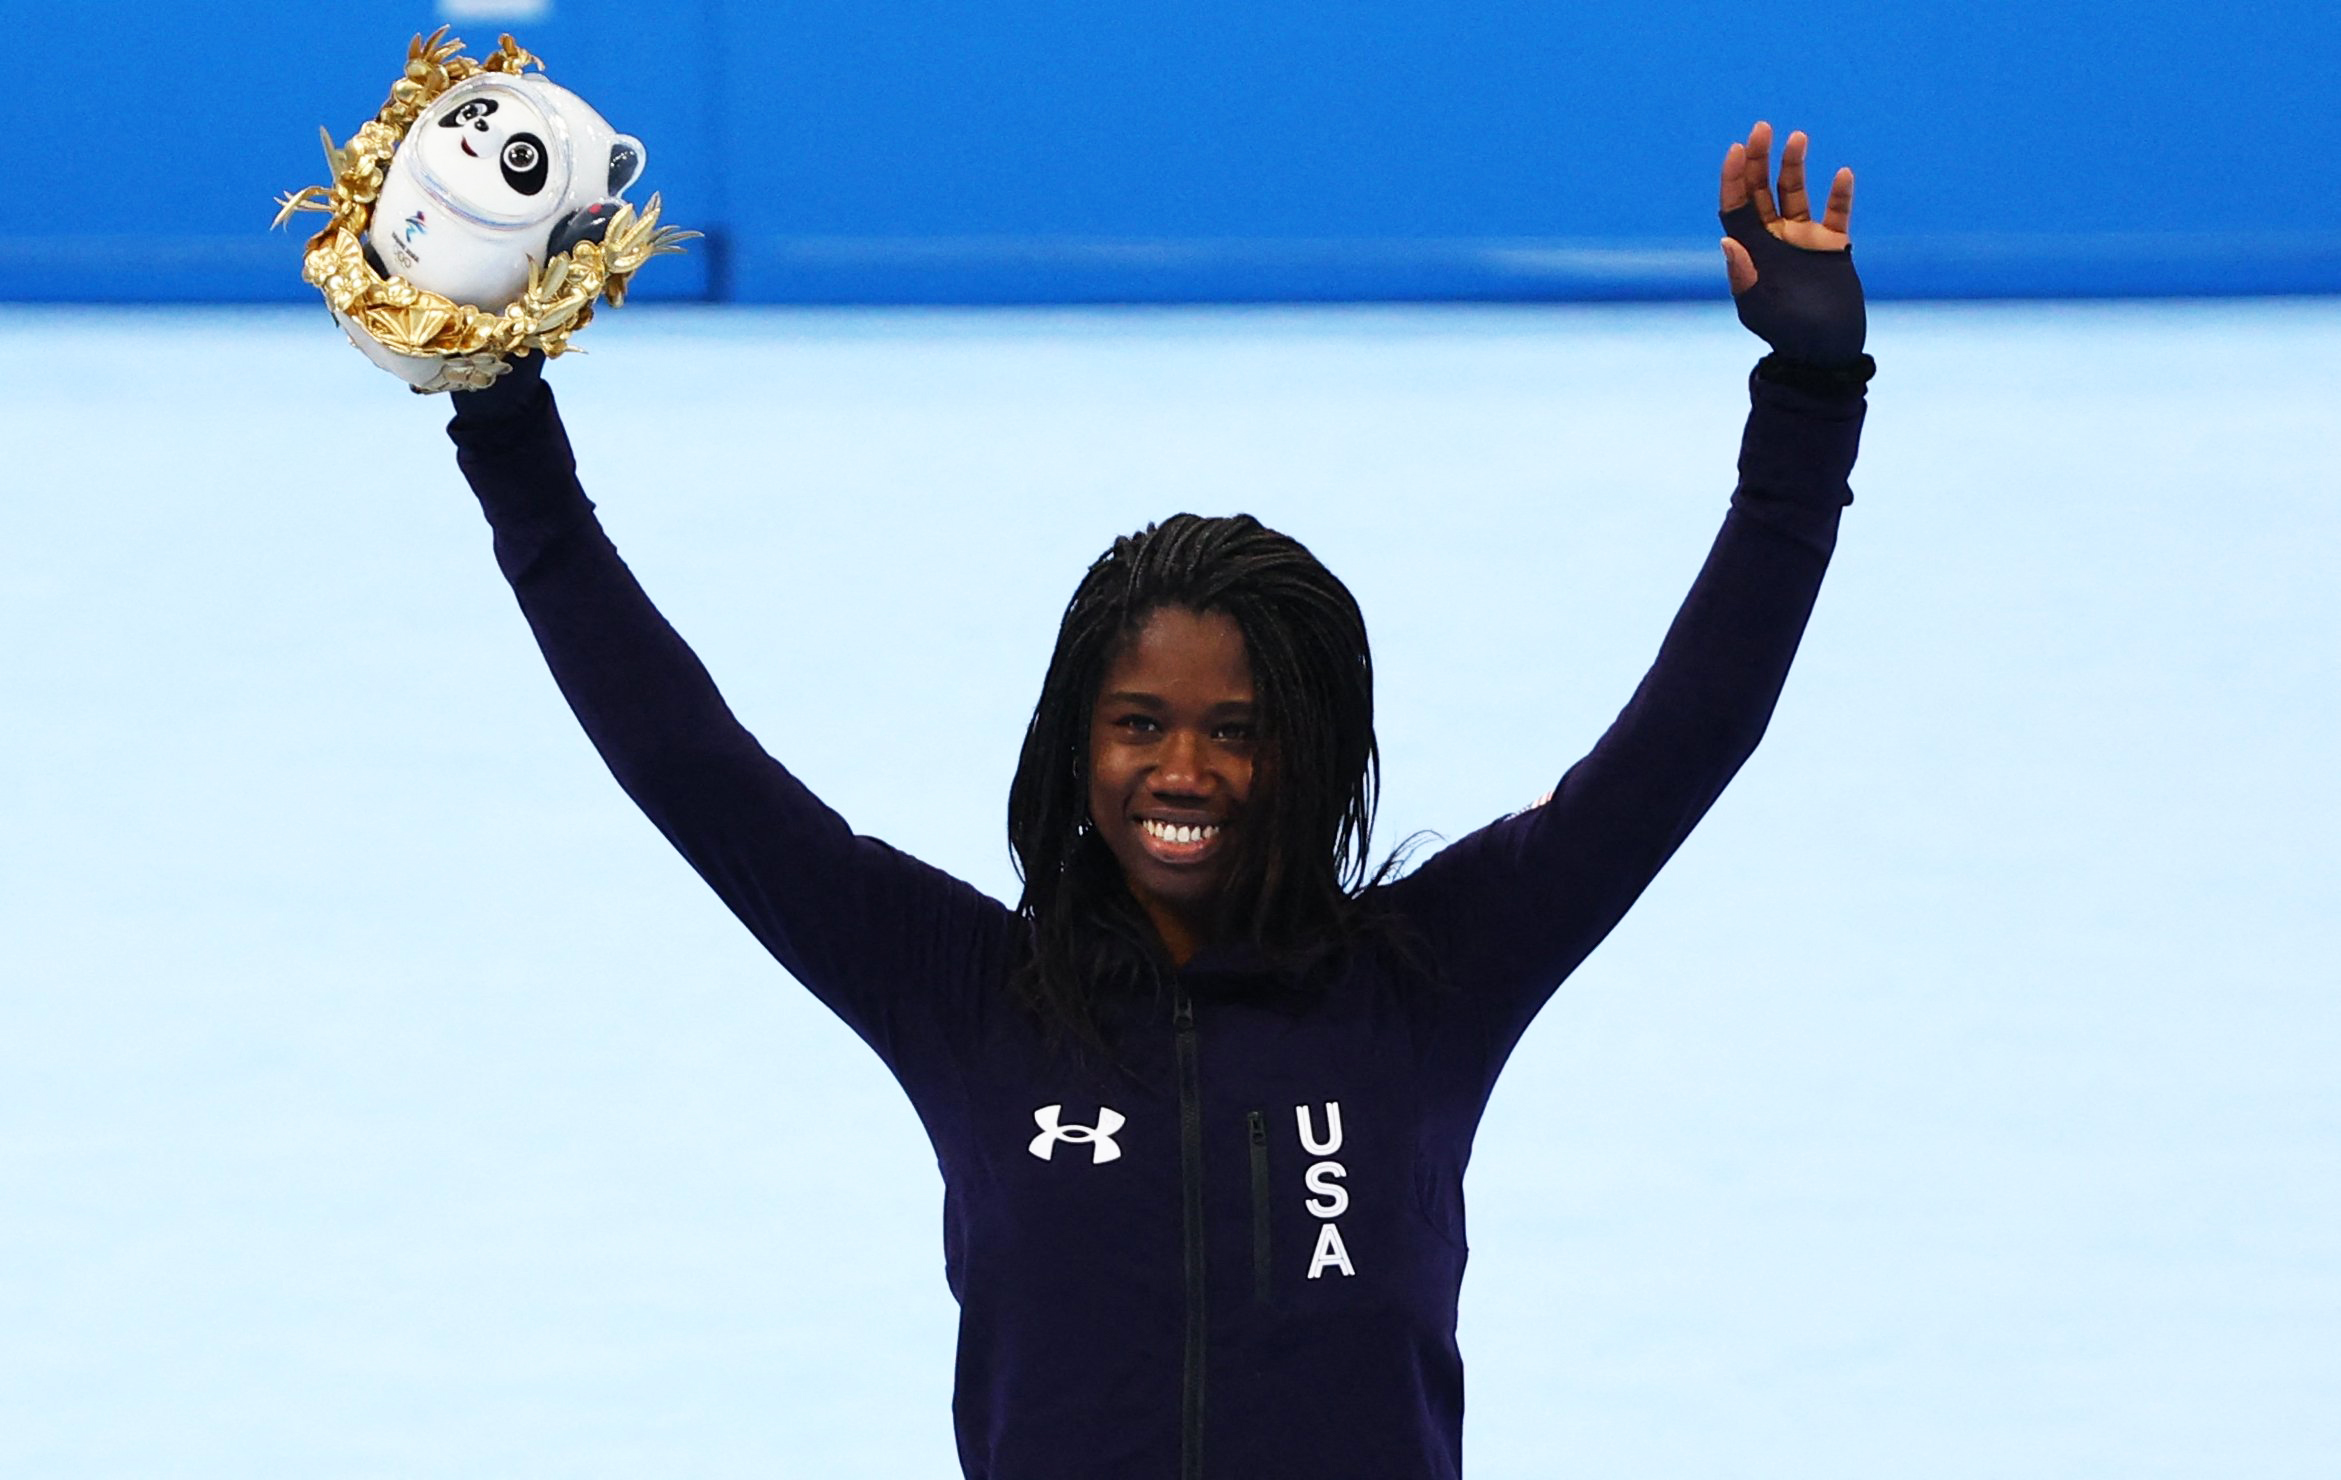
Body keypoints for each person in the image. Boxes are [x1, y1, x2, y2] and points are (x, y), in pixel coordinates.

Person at [442, 122, 1871, 1480]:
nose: (1181, 771)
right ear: (1076, 745)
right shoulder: (967, 994)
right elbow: (690, 762)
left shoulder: (1427, 983)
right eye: (1138, 725)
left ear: (1310, 753)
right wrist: (504, 429)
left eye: (1236, 732)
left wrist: (1806, 404)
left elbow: (1688, 736)